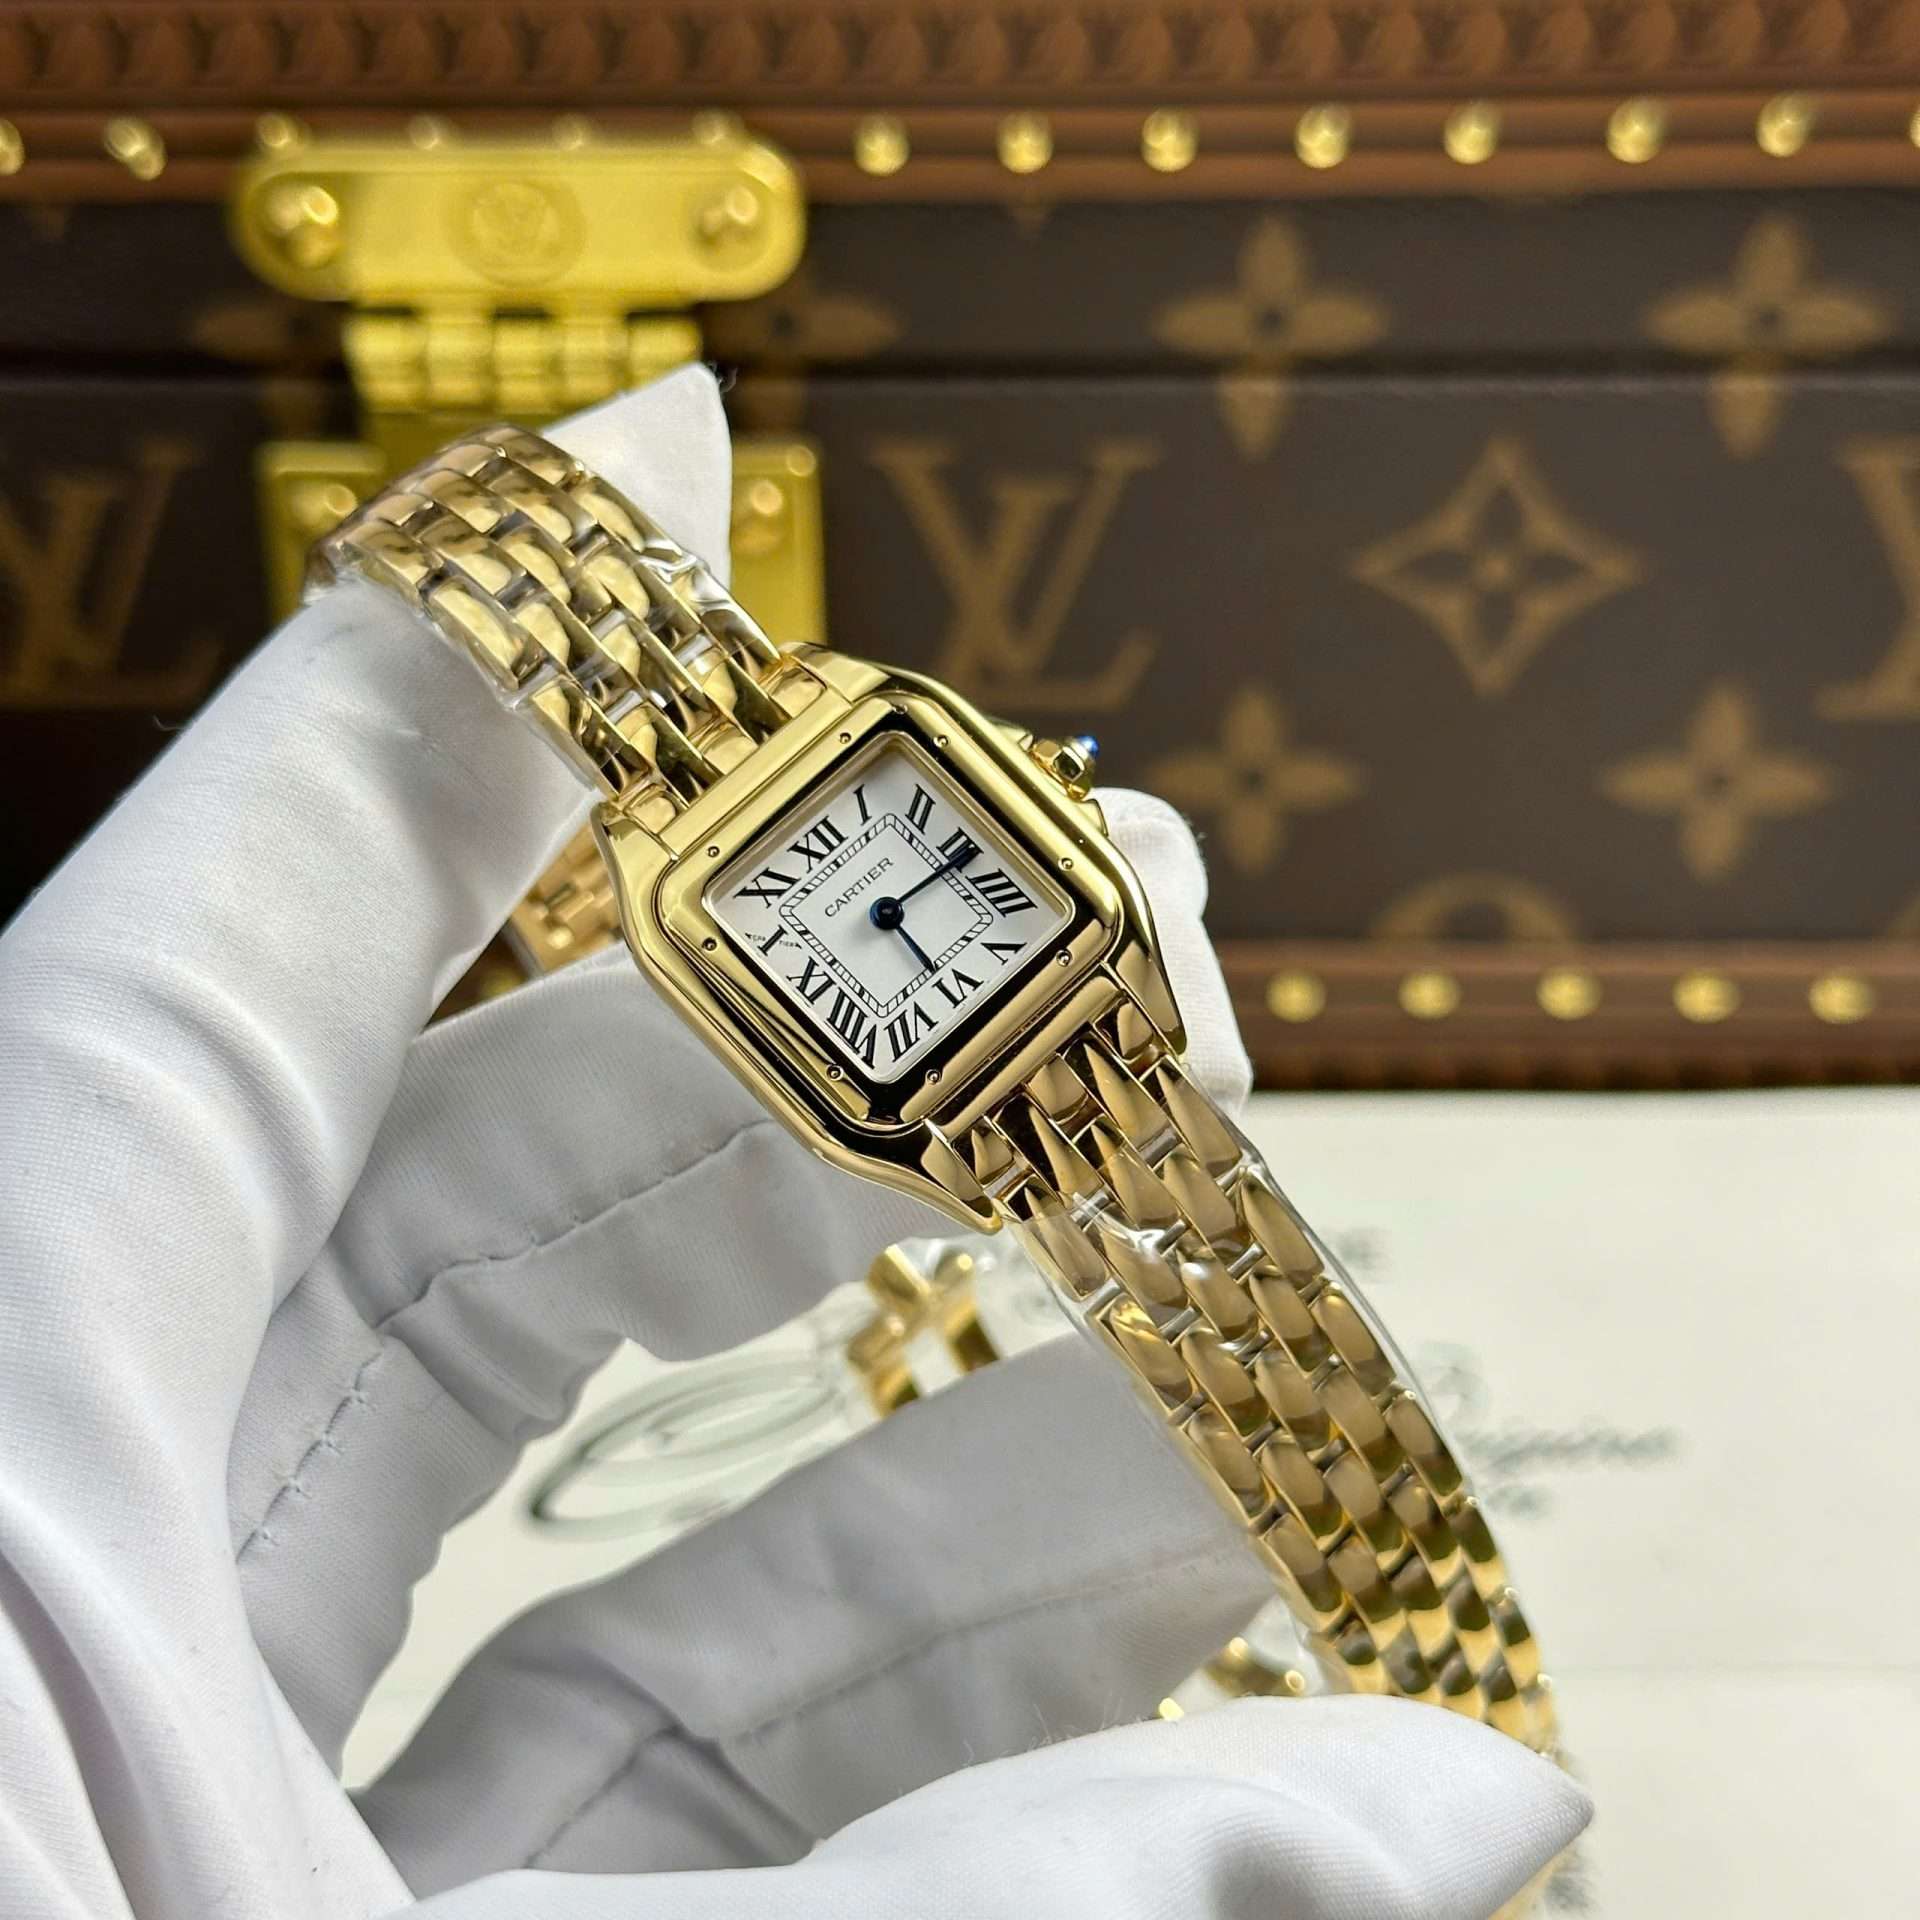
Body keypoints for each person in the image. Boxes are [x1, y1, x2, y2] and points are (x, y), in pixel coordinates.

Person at [0, 370, 1588, 1918]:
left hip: (1075, 1057)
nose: (885, 913)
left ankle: (1442, 1657)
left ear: (1026, 790)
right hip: (984, 1092)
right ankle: (1461, 1714)